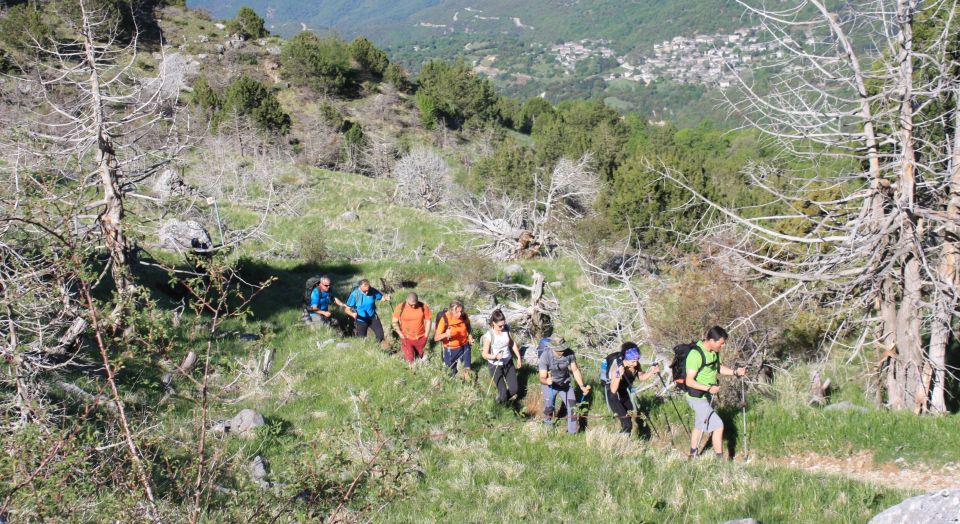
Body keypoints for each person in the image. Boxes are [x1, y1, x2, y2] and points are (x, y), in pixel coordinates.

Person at [685, 326, 746, 459]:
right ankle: (720, 461)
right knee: (718, 426)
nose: (723, 345)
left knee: (699, 425)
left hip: (707, 396)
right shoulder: (695, 355)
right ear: (712, 340)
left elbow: (718, 368)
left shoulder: (714, 351)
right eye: (721, 343)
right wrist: (708, 388)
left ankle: (692, 454)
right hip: (696, 397)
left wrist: (735, 372)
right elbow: (689, 381)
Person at [538, 336, 591, 434]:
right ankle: (547, 426)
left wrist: (582, 386)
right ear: (553, 347)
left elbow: (575, 370)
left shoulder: (569, 353)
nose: (562, 351)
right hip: (550, 385)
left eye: (563, 348)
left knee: (572, 406)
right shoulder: (545, 356)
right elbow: (541, 378)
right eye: (560, 349)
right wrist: (547, 381)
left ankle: (572, 432)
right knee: (549, 406)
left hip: (565, 384)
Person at [606, 342, 660, 435]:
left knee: (630, 414)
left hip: (623, 392)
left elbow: (641, 377)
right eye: (632, 361)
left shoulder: (635, 364)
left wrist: (651, 372)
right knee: (627, 424)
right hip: (614, 396)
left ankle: (623, 438)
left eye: (636, 360)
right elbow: (613, 390)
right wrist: (619, 375)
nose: (635, 364)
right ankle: (621, 443)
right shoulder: (617, 368)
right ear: (625, 359)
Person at [480, 310, 523, 404]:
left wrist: (519, 357)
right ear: (493, 323)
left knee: (514, 390)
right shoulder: (488, 336)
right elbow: (484, 354)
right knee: (503, 392)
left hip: (508, 362)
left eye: (504, 325)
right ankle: (502, 406)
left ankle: (501, 400)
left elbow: (512, 343)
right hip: (495, 365)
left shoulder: (506, 329)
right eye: (500, 326)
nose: (502, 327)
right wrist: (495, 356)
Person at [434, 300, 474, 376]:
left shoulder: (464, 315)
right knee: (451, 373)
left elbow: (468, 325)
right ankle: (453, 385)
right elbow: (436, 338)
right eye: (457, 312)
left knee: (466, 369)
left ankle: (467, 384)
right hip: (450, 350)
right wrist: (445, 334)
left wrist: (470, 335)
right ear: (451, 310)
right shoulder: (445, 319)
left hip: (464, 346)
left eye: (461, 311)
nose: (459, 314)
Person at [391, 293, 432, 363]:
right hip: (406, 338)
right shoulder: (400, 308)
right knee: (410, 360)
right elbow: (394, 322)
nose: (413, 306)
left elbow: (428, 321)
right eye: (411, 304)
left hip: (420, 337)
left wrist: (426, 336)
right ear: (406, 300)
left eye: (415, 304)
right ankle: (412, 371)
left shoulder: (423, 307)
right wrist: (401, 335)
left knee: (420, 355)